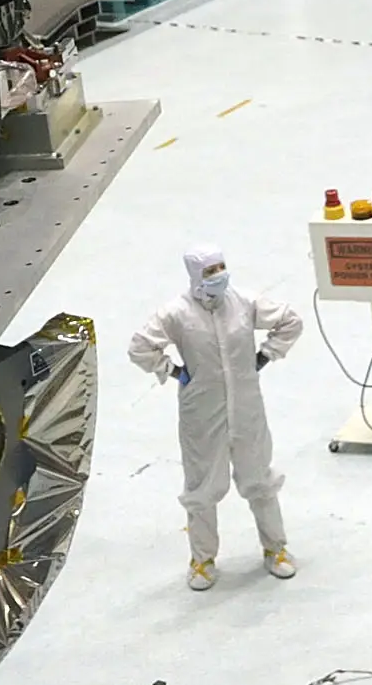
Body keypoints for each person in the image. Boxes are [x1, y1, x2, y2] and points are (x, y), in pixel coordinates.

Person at [129, 245, 303, 590]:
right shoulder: (177, 314)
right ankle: (202, 559)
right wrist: (172, 370)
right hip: (202, 411)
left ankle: (276, 548)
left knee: (259, 478)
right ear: (195, 275)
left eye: (221, 267)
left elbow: (290, 321)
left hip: (247, 406)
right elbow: (140, 347)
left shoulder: (245, 303)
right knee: (202, 486)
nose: (219, 275)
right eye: (210, 270)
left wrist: (265, 355)